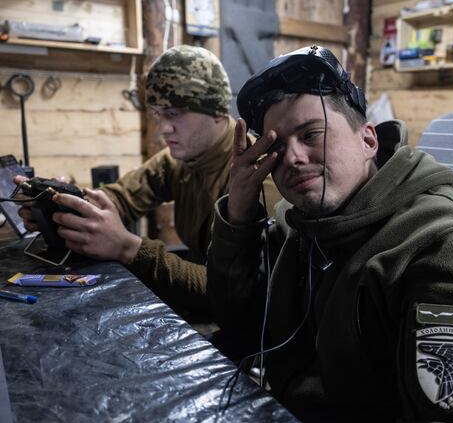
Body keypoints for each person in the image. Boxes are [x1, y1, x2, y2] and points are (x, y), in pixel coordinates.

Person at [207, 45, 453, 423]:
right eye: (277, 146)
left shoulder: (448, 247)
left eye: (311, 134)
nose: (293, 158)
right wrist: (240, 214)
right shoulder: (296, 226)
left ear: (368, 141)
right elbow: (239, 324)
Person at [15, 45, 279, 321]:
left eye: (174, 113)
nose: (163, 128)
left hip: (244, 326)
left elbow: (239, 297)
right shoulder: (179, 160)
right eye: (158, 114)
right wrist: (62, 204)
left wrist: (129, 248)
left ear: (215, 111)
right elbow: (121, 197)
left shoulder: (255, 177)